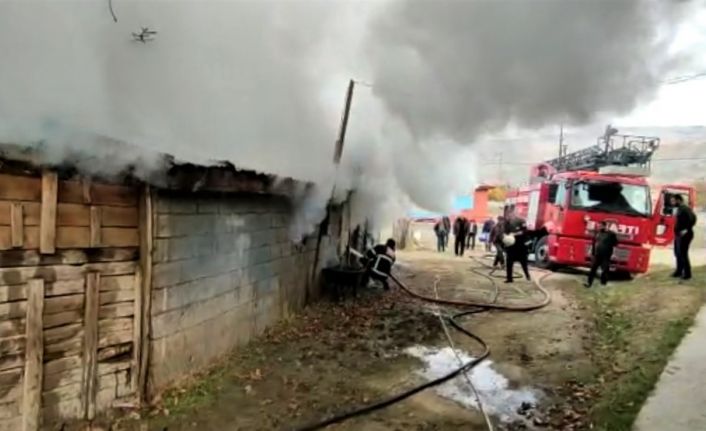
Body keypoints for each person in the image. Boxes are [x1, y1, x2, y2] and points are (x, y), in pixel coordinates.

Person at [585, 221, 618, 288]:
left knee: (605, 270)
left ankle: (603, 283)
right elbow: (594, 243)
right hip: (597, 255)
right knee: (593, 269)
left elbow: (615, 244)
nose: (599, 227)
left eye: (601, 226)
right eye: (599, 226)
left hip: (606, 255)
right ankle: (589, 283)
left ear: (605, 226)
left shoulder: (611, 234)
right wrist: (592, 252)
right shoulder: (597, 233)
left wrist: (613, 253)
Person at [671, 194, 696, 281]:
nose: (672, 203)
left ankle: (687, 274)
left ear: (678, 200)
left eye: (673, 201)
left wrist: (686, 229)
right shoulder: (679, 209)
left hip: (685, 234)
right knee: (677, 253)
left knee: (683, 254)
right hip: (679, 234)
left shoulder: (685, 209)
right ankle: (679, 271)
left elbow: (693, 219)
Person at [504, 213, 531, 283]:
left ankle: (527, 275)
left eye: (510, 215)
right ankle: (509, 278)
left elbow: (525, 231)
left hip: (520, 245)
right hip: (511, 246)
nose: (509, 217)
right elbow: (505, 232)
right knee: (509, 263)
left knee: (523, 263)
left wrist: (515, 234)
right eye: (508, 216)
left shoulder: (521, 221)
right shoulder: (507, 223)